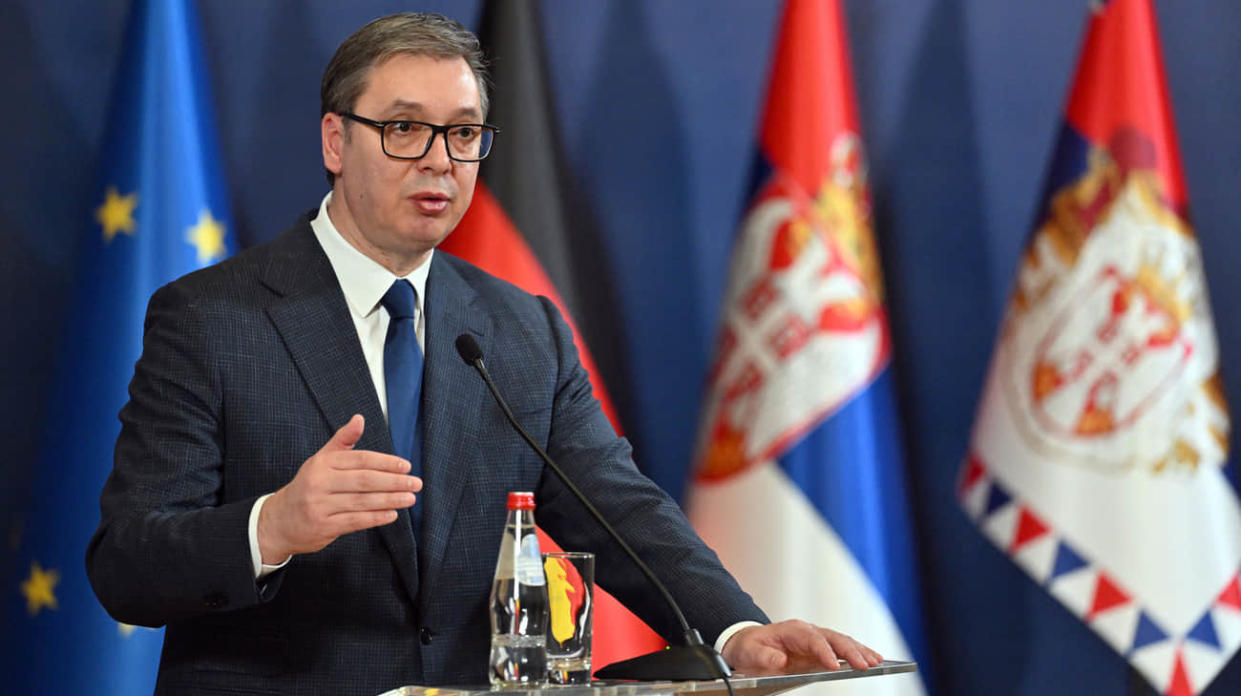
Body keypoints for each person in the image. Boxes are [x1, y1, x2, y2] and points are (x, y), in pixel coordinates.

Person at [86, 12, 882, 693]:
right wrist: (274, 525)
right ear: (335, 140)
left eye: (463, 133)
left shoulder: (519, 327)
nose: (440, 158)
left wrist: (734, 631)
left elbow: (618, 507)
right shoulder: (212, 318)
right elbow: (125, 563)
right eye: (404, 128)